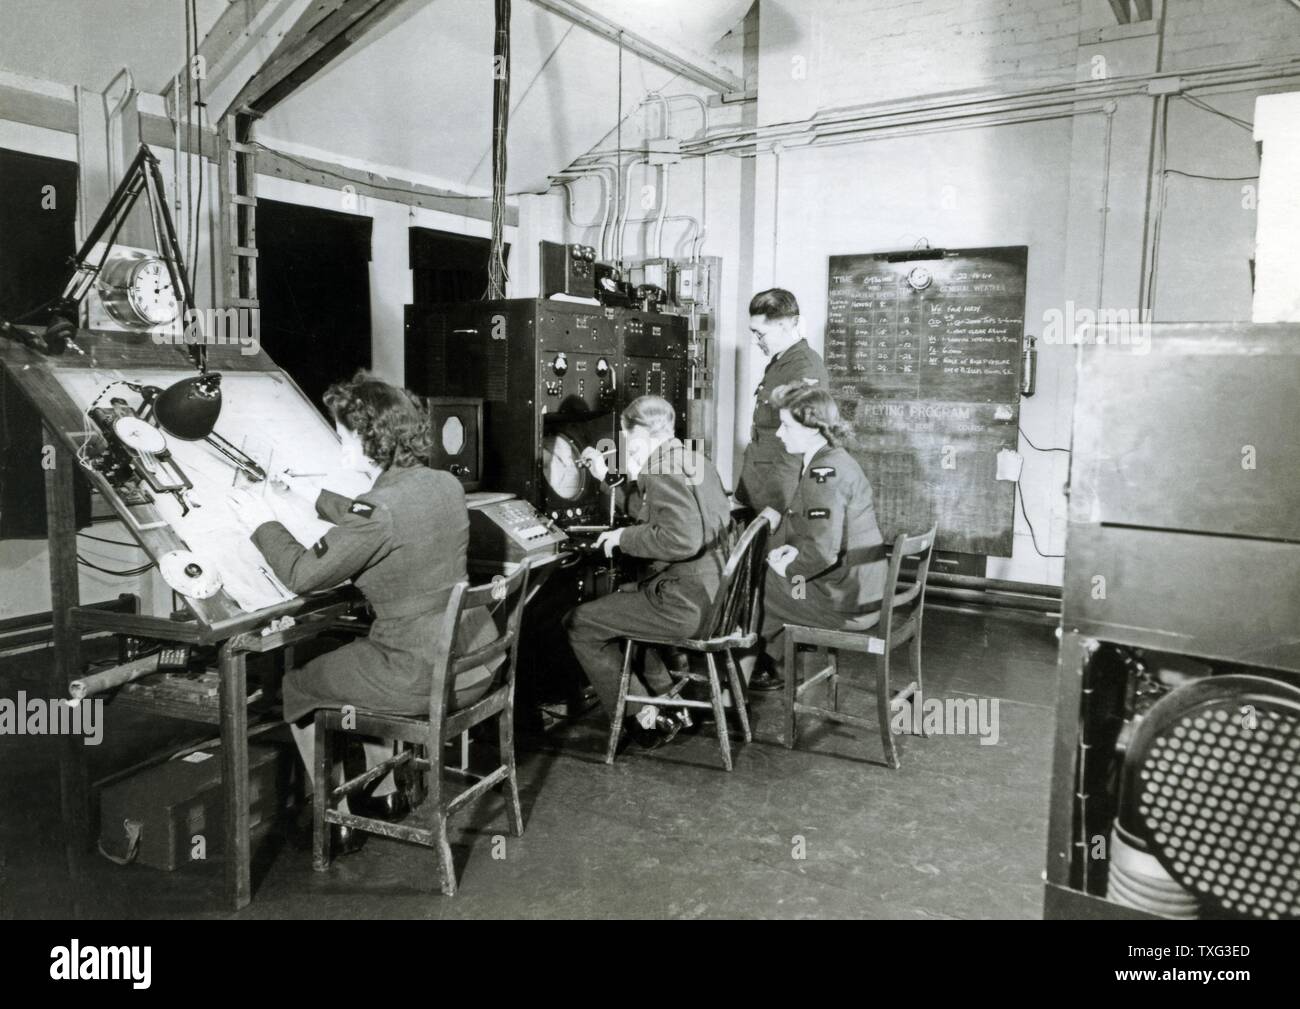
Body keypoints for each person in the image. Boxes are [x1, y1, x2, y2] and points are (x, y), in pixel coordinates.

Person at [228, 370, 497, 853]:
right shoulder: (443, 485)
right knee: (352, 656)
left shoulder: (381, 509)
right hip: (474, 660)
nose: (339, 442)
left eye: (344, 433)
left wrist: (262, 519)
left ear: (370, 439)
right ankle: (388, 796)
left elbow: (304, 575)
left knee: (300, 683)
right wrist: (305, 497)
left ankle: (339, 820)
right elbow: (376, 516)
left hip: (420, 670)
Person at [563, 395, 733, 750]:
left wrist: (622, 537)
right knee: (625, 600)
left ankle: (644, 719)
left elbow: (681, 537)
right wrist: (608, 478)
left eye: (626, 440)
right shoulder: (692, 459)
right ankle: (671, 703)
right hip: (719, 598)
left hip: (687, 606)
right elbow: (663, 513)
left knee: (581, 622)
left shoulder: (659, 470)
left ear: (638, 434)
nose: (626, 447)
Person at [745, 384, 888, 692]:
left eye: (786, 426)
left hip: (844, 604)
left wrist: (791, 569)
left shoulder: (823, 473)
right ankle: (768, 664)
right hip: (860, 590)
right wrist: (793, 554)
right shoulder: (835, 458)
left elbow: (823, 553)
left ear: (811, 430)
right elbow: (824, 538)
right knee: (770, 580)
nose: (780, 435)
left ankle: (733, 693)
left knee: (752, 589)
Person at [736, 288, 830, 514]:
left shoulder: (804, 367)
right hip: (758, 483)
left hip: (780, 494)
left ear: (786, 325)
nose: (754, 341)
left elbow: (798, 442)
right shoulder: (780, 362)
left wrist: (776, 506)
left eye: (759, 333)